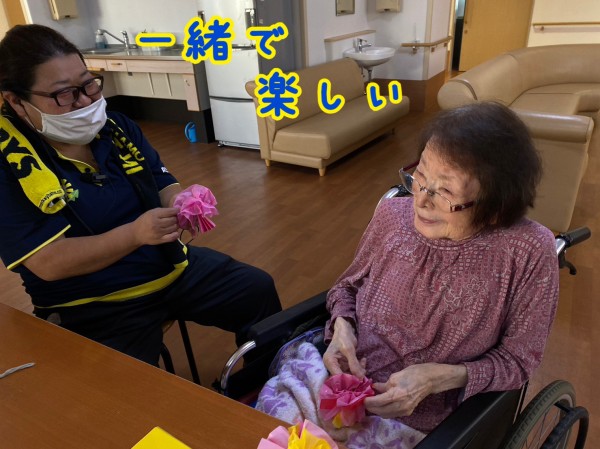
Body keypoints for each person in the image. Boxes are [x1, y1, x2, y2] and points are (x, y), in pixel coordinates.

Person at [256, 102, 559, 448]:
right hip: (335, 385)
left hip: (426, 420)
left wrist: (437, 379)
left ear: (495, 207)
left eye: (445, 192)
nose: (421, 200)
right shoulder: (391, 215)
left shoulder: (527, 251)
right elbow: (347, 287)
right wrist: (342, 329)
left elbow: (518, 361)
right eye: (420, 178)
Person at [0, 24, 281, 365]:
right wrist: (134, 234)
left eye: (89, 84)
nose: (86, 101)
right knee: (128, 389)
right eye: (65, 94)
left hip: (167, 268)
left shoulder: (116, 128)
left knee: (256, 289)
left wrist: (180, 200)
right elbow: (48, 263)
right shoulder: (10, 164)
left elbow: (160, 180)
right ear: (16, 101)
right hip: (91, 303)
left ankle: (269, 385)